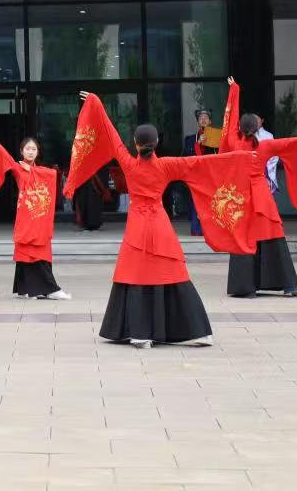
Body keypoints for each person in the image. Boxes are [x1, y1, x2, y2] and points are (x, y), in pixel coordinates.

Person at [66, 92, 259, 348]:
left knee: (136, 274)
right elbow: (200, 163)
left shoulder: (128, 164)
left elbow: (111, 135)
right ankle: (199, 332)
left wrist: (96, 102)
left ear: (135, 144)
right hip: (160, 224)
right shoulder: (166, 165)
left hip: (137, 227)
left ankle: (140, 333)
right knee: (173, 273)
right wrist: (240, 158)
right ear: (156, 143)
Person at [219, 77, 297, 298]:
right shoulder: (265, 145)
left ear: (240, 129)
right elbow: (295, 143)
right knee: (273, 236)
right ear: (257, 128)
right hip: (262, 197)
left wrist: (235, 90)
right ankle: (289, 285)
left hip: (241, 198)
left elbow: (230, 122)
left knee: (244, 238)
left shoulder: (234, 144)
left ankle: (245, 287)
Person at [0, 125, 72, 300]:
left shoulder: (42, 171)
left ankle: (26, 289)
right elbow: (1, 152)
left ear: (38, 152)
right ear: (21, 151)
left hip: (39, 218)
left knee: (41, 250)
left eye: (34, 149)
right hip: (26, 217)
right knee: (27, 251)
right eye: (27, 149)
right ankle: (49, 289)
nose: (30, 152)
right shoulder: (17, 168)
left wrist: (33, 170)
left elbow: (52, 174)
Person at [182, 108, 219, 235]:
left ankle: (211, 231)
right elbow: (185, 158)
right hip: (195, 177)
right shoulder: (190, 140)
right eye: (200, 118)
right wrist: (197, 144)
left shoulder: (217, 138)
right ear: (198, 121)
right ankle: (196, 230)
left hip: (210, 176)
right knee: (195, 203)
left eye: (206, 118)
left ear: (210, 121)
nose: (203, 120)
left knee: (211, 203)